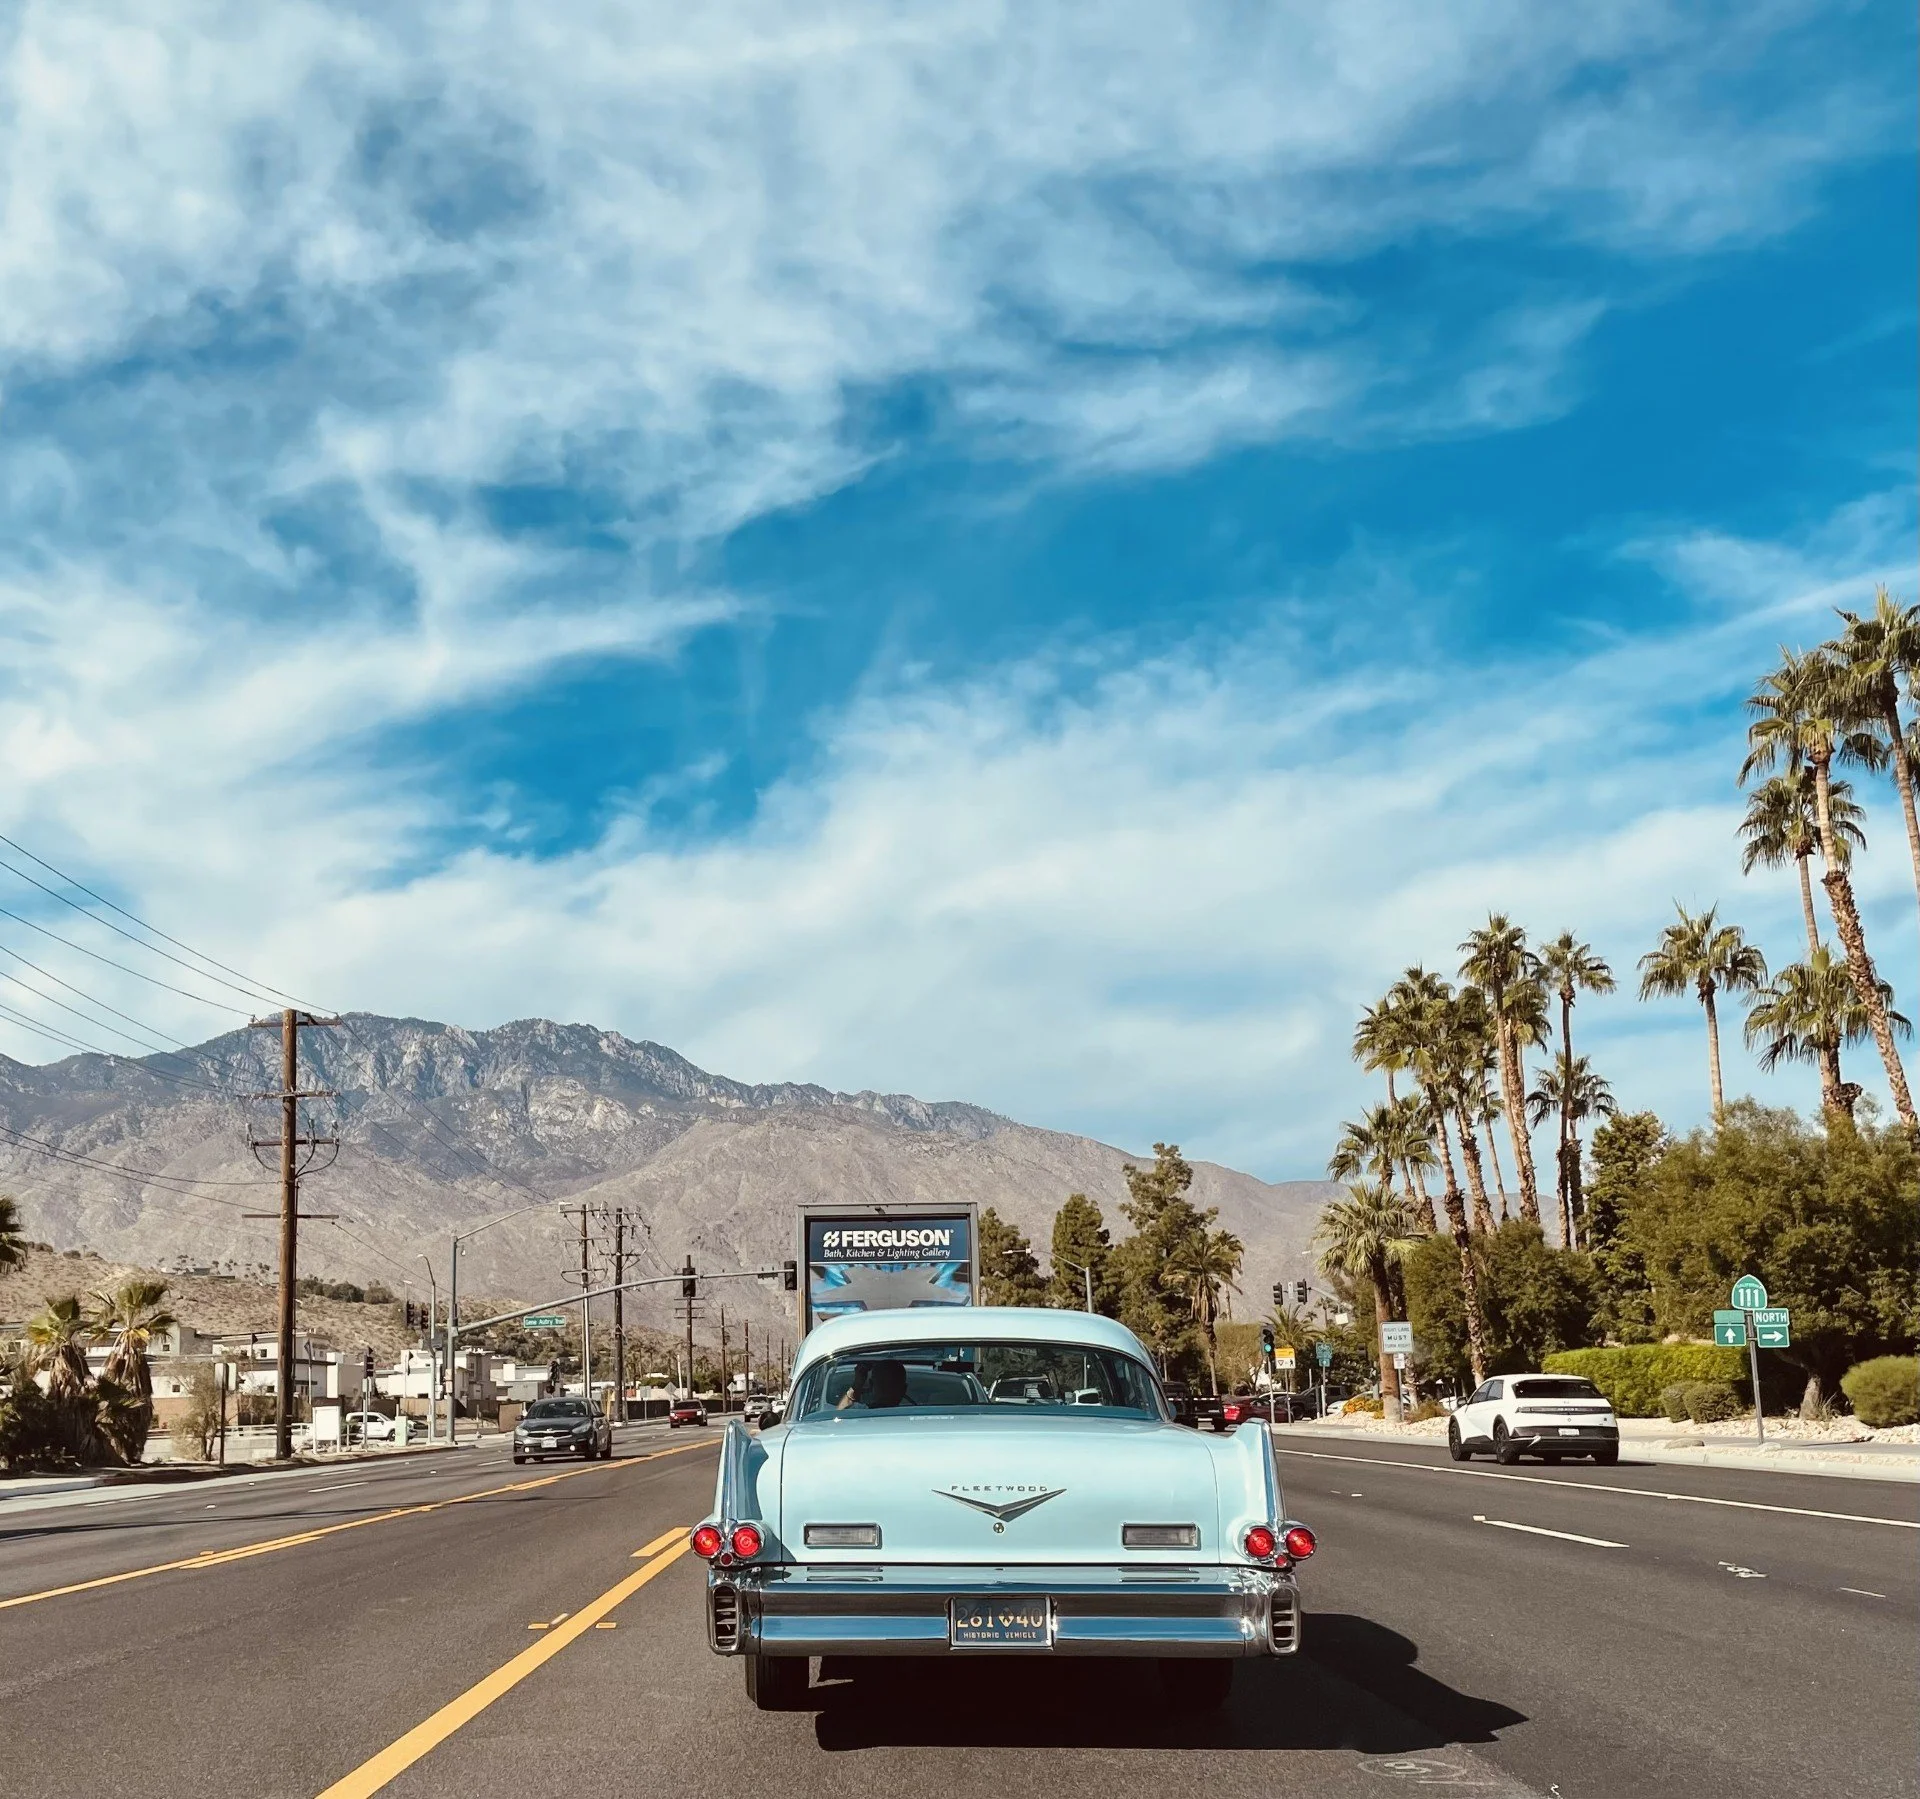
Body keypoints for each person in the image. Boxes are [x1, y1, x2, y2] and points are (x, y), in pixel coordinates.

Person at [837, 1358, 909, 1409]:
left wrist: (857, 1384)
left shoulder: (859, 1412)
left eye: (892, 1384)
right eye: (882, 1383)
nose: (887, 1388)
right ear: (871, 1385)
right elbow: (840, 1413)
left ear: (903, 1389)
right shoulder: (860, 1411)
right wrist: (857, 1384)